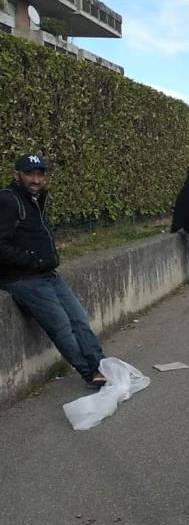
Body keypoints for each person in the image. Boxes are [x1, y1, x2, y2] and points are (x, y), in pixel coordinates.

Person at [0, 154, 107, 387]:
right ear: (16, 175)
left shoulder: (36, 199)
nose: (36, 179)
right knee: (61, 327)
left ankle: (102, 367)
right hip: (24, 279)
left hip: (48, 275)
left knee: (79, 319)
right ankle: (91, 373)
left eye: (40, 174)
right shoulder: (8, 200)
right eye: (30, 174)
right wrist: (32, 260)